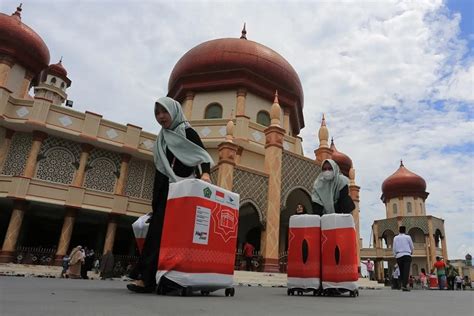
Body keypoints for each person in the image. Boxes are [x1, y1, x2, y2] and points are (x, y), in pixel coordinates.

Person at [127, 97, 213, 293]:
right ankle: (153, 277)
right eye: (157, 113)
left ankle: (147, 279)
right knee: (158, 234)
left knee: (168, 235)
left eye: (164, 112)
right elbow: (160, 168)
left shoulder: (187, 132)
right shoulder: (162, 137)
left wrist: (205, 173)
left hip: (183, 191)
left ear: (174, 111)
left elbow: (201, 156)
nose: (161, 117)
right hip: (164, 192)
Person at [392, 226, 414, 291]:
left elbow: (394, 247)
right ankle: (404, 285)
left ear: (399, 230)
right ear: (405, 230)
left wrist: (395, 255)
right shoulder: (408, 237)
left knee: (401, 271)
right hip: (407, 255)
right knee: (406, 271)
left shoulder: (395, 238)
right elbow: (412, 246)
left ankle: (402, 284)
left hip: (399, 255)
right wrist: (411, 252)